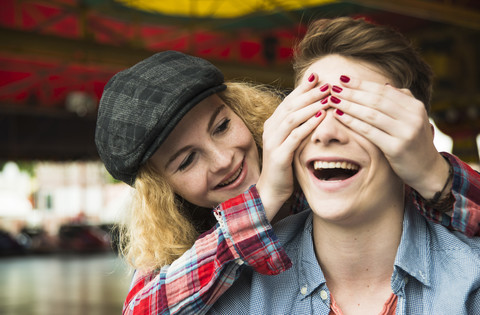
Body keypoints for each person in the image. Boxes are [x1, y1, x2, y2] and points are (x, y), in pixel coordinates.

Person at [94, 50, 480, 314]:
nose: (224, 159)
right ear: (163, 193)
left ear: (242, 110)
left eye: (223, 126)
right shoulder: (176, 244)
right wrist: (263, 200)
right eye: (187, 160)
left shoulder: (316, 160)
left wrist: (433, 173)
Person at [208, 17, 480, 314]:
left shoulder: (471, 282)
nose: (326, 133)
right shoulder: (235, 291)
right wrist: (266, 194)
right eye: (310, 112)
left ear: (419, 143)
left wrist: (434, 173)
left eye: (362, 113)